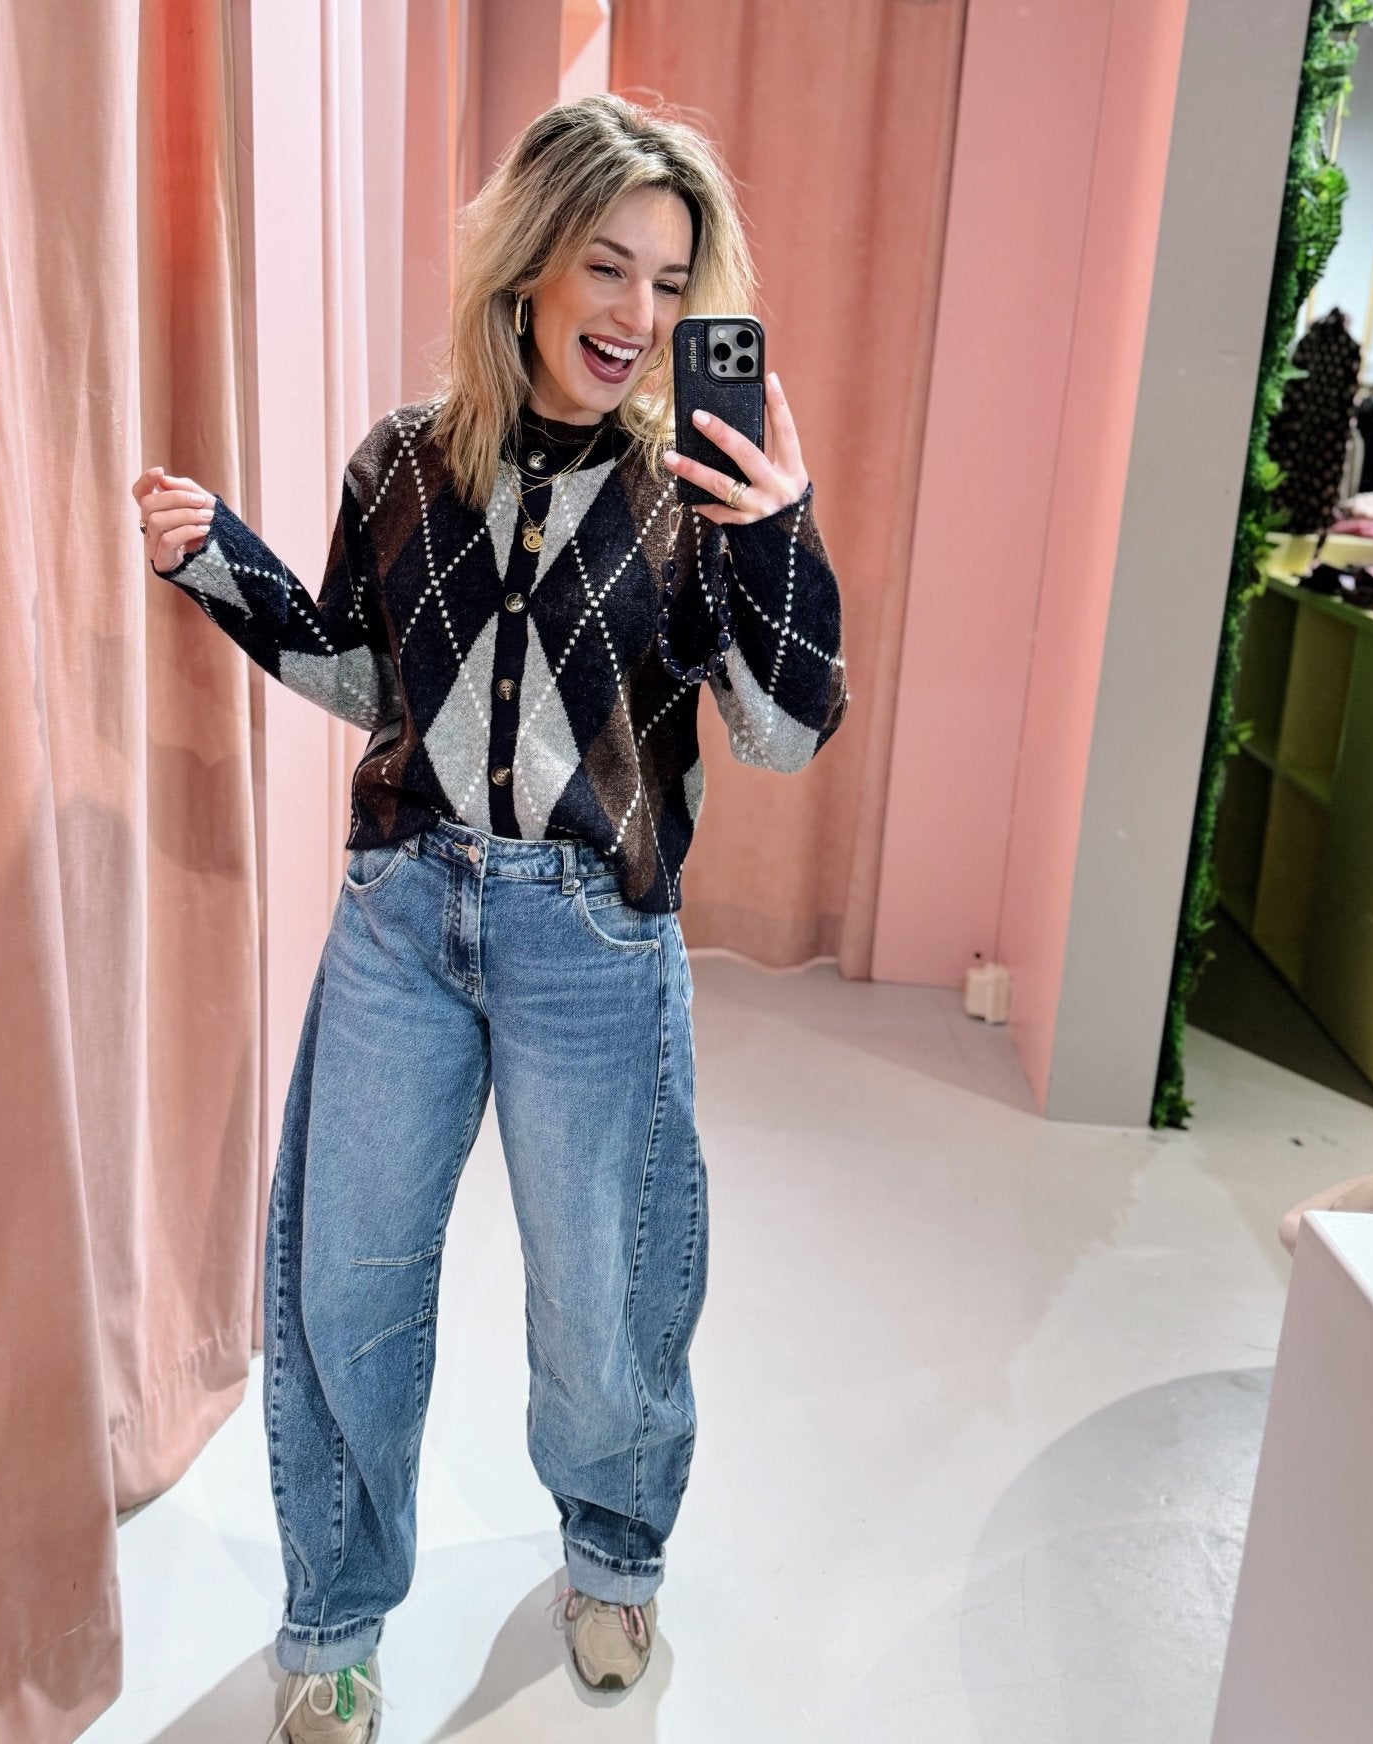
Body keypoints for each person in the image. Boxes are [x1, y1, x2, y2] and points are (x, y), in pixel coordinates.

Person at [132, 94, 847, 1744]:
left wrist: (779, 532)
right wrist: (220, 560)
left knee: (604, 1299)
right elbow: (366, 676)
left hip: (591, 941)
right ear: (529, 263)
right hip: (400, 916)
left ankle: (613, 1555)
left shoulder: (694, 493)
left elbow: (782, 734)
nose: (640, 314)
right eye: (608, 266)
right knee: (348, 1285)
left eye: (670, 281)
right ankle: (335, 1617)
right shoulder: (402, 461)